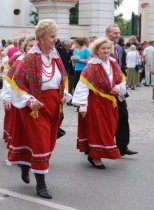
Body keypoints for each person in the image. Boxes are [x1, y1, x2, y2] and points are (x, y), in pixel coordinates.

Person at [7, 19, 67, 199]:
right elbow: (16, 84)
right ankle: (41, 185)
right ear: (41, 37)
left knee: (48, 142)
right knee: (41, 142)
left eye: (55, 36)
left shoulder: (55, 56)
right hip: (36, 106)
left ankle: (26, 164)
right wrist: (29, 100)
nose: (55, 40)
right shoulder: (30, 59)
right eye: (52, 36)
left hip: (54, 104)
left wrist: (65, 94)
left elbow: (62, 78)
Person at [72, 37, 125, 168]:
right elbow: (82, 86)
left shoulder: (113, 63)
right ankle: (95, 156)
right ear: (96, 51)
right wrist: (83, 106)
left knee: (110, 129)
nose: (106, 51)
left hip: (110, 103)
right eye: (103, 48)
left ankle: (96, 153)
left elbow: (122, 80)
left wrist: (118, 88)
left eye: (108, 48)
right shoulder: (91, 67)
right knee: (98, 130)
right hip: (95, 102)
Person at [106, 24, 138, 156]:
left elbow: (122, 68)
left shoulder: (120, 49)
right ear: (108, 33)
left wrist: (123, 87)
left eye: (118, 33)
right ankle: (93, 146)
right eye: (115, 33)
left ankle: (122, 146)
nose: (118, 36)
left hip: (119, 88)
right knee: (103, 118)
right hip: (105, 88)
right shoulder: (101, 46)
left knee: (123, 115)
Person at [0, 36, 35, 146]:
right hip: (19, 96)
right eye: (30, 46)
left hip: (35, 98)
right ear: (24, 47)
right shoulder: (17, 60)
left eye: (35, 46)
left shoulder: (41, 60)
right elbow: (8, 79)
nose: (33, 48)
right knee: (20, 124)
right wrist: (7, 98)